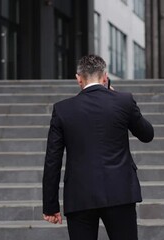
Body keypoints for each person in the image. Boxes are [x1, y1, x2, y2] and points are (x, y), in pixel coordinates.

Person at [42, 55, 154, 240]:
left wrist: (50, 205)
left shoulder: (62, 109)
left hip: (80, 196)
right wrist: (121, 99)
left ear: (78, 78)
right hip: (120, 192)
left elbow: (52, 160)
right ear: (105, 77)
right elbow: (147, 134)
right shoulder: (123, 101)